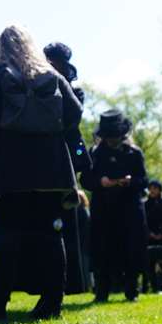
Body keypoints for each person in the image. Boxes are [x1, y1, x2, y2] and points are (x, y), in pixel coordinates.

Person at [0, 25, 80, 321]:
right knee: (52, 234)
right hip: (52, 170)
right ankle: (51, 303)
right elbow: (75, 113)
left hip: (11, 170)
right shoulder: (52, 76)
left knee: (8, 234)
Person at [83, 110, 148, 303]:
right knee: (102, 249)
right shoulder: (94, 153)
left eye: (115, 137)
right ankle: (101, 291)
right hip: (104, 209)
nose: (112, 140)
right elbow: (85, 179)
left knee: (131, 249)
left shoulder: (135, 153)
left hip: (130, 210)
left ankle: (131, 290)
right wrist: (100, 182)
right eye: (108, 137)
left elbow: (143, 180)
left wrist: (130, 181)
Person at [44, 41, 92, 295]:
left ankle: (72, 282)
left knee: (67, 220)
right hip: (43, 158)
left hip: (67, 158)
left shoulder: (75, 91)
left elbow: (70, 121)